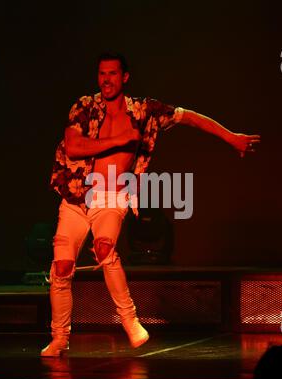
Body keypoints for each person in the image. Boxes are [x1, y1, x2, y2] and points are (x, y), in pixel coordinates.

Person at [41, 52, 260, 357]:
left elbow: (190, 118)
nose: (106, 80)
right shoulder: (84, 106)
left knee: (104, 248)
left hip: (111, 196)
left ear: (125, 77)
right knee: (62, 267)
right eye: (102, 74)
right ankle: (59, 337)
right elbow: (75, 146)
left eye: (113, 74)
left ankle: (130, 321)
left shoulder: (145, 110)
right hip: (77, 195)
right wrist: (120, 140)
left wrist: (229, 137)